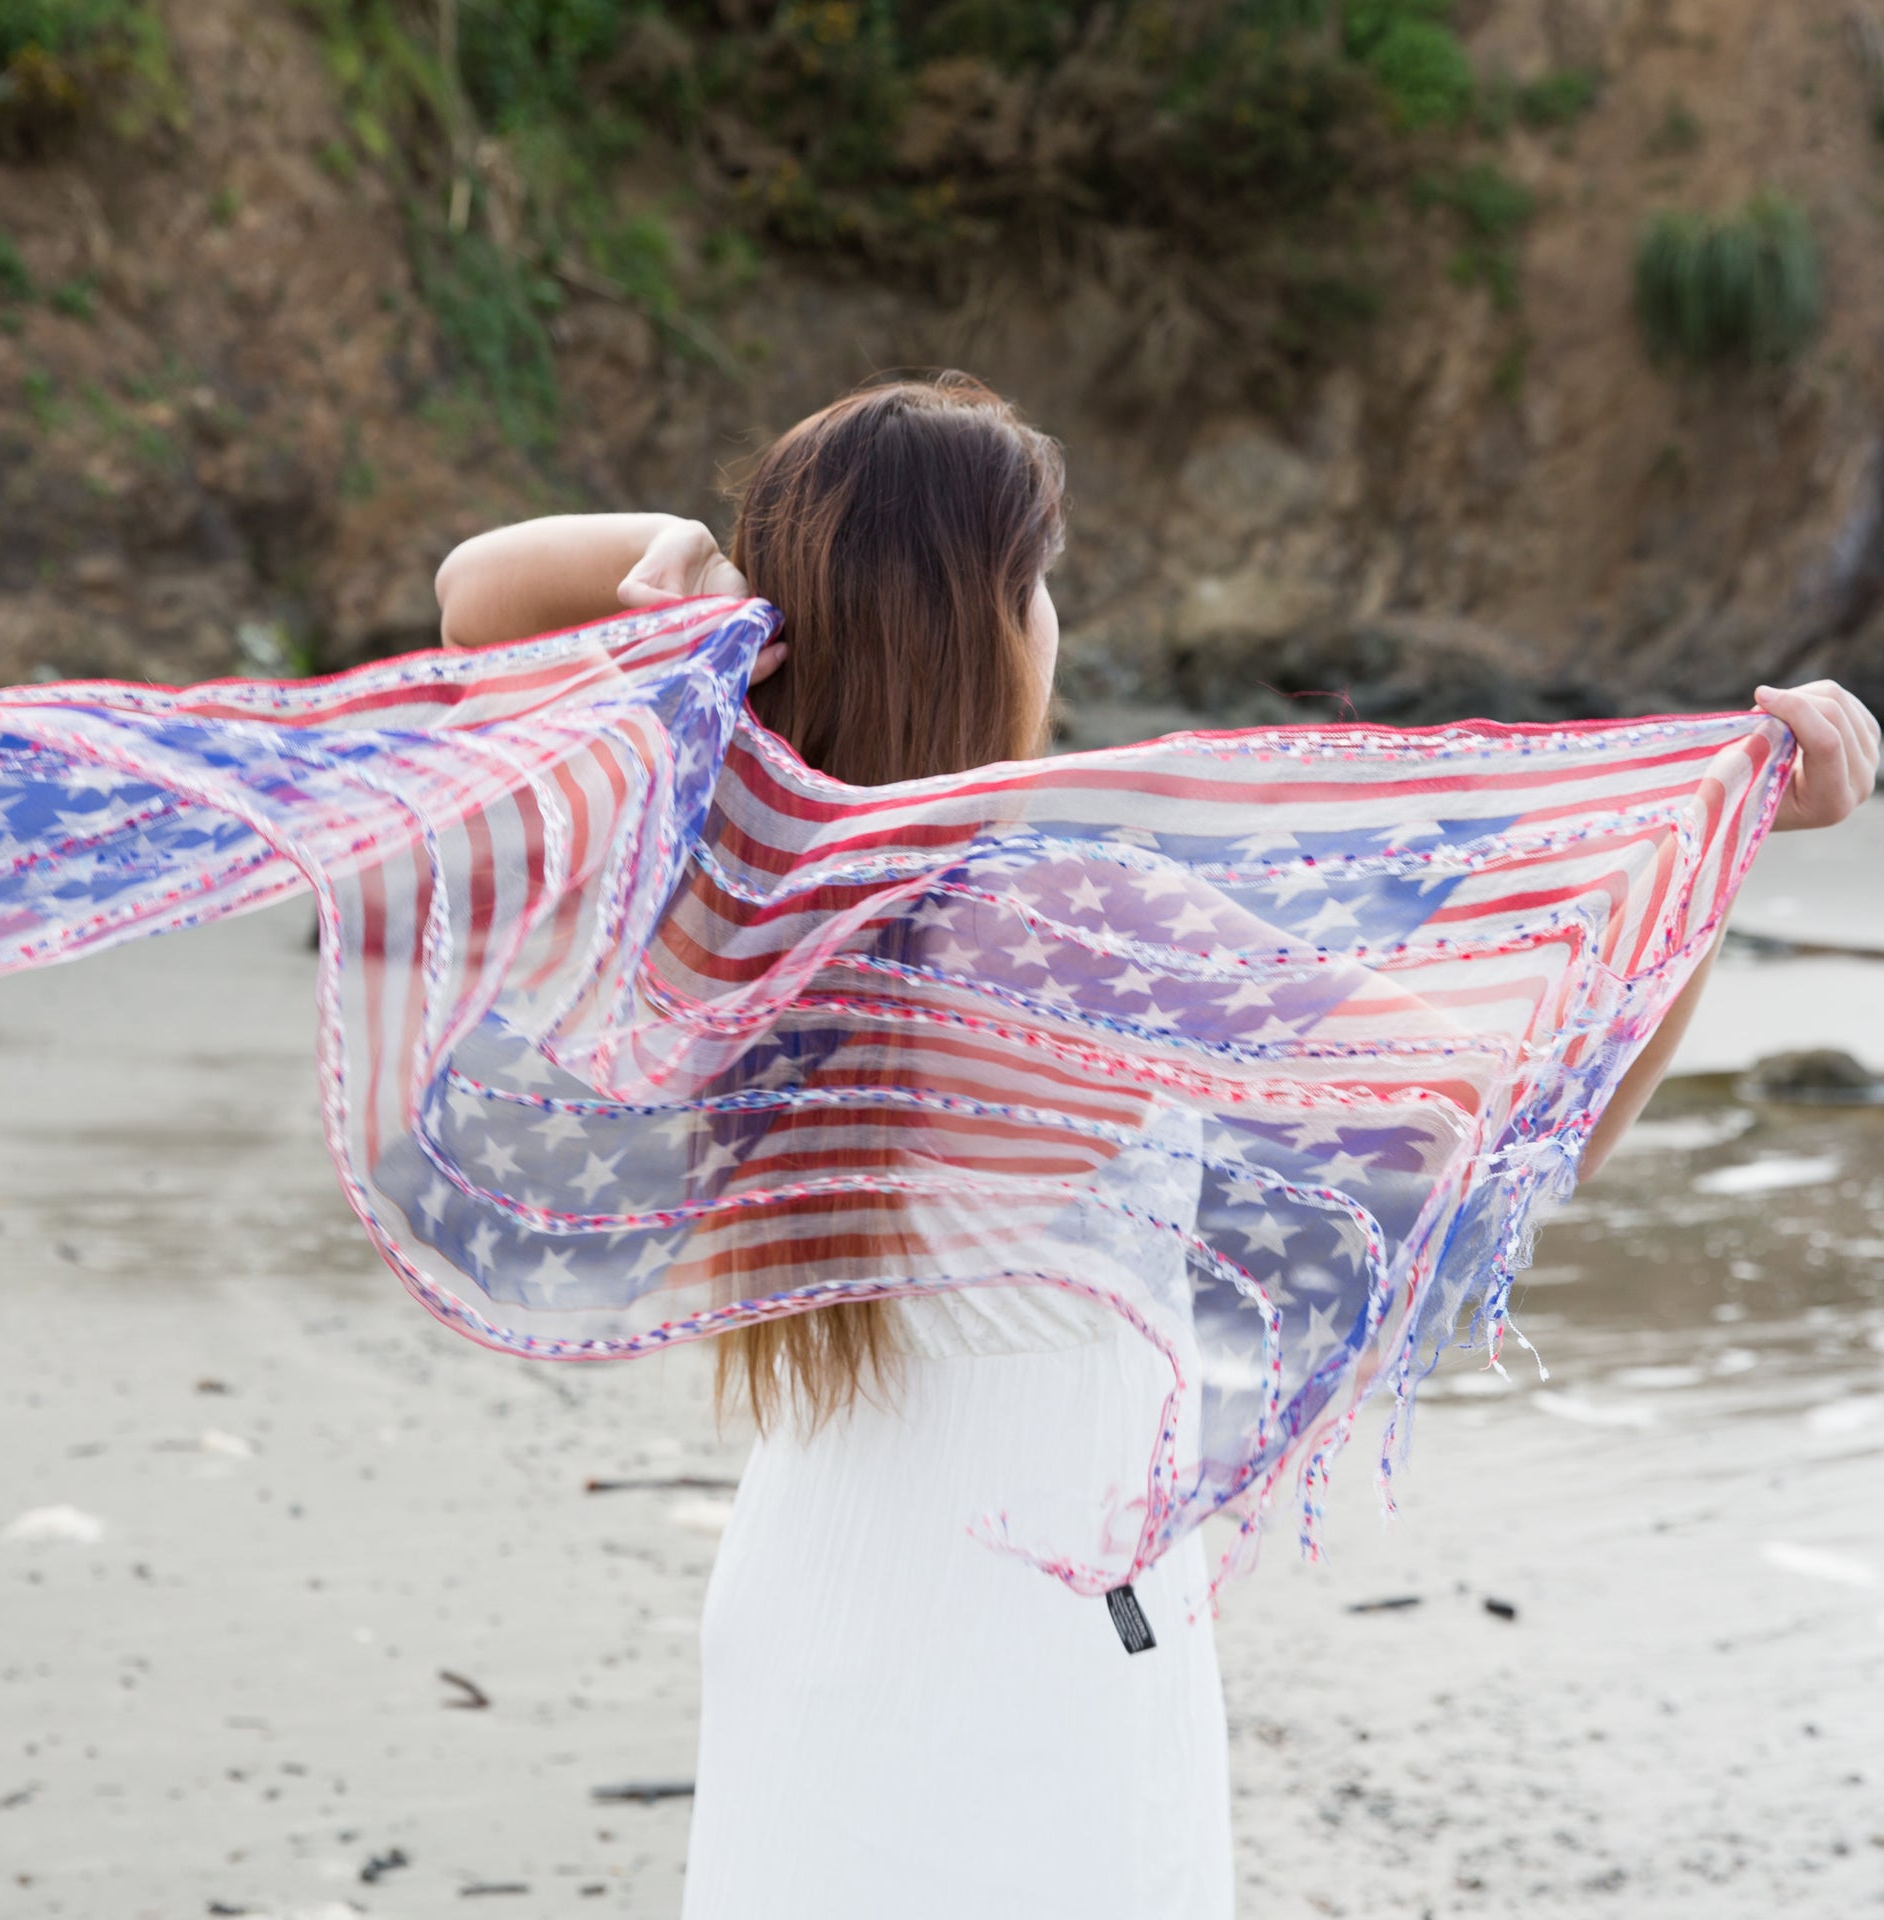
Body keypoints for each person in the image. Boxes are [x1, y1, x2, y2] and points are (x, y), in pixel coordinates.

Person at [432, 372, 1880, 1918]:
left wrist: (693, 564)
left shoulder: (731, 878)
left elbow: (474, 595)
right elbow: (1515, 1129)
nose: (1054, 624)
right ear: (979, 620)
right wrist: (1718, 854)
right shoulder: (1071, 921)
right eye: (1039, 583)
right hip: (1036, 1624)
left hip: (814, 1587)